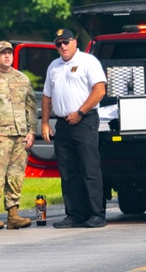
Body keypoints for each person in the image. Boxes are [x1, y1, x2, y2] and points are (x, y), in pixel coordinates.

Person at [41, 28, 108, 228]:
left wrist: (79, 112)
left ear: (74, 42)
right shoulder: (54, 66)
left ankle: (97, 213)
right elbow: (47, 96)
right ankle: (74, 214)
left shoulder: (88, 61)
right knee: (68, 171)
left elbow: (99, 90)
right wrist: (45, 122)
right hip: (63, 123)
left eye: (65, 42)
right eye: (58, 43)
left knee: (89, 168)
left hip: (84, 120)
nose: (62, 46)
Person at [0, 41, 38, 230]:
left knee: (16, 176)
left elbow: (31, 106)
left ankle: (13, 214)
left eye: (9, 53)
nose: (7, 56)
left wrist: (31, 131)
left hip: (19, 136)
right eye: (2, 53)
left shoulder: (21, 78)